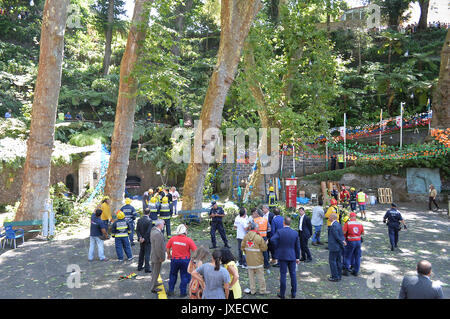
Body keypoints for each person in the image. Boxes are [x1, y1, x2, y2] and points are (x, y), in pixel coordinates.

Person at [270, 217, 300, 299]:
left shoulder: (280, 231)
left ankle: (282, 294)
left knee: (283, 275)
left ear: (284, 223)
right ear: (290, 223)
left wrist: (278, 246)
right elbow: (297, 246)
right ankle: (293, 293)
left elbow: (272, 240)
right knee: (293, 274)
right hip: (292, 256)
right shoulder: (295, 233)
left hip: (282, 256)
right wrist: (298, 257)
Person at [166, 224, 197, 297]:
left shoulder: (172, 239)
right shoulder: (188, 240)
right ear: (185, 232)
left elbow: (167, 248)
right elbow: (195, 250)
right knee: (184, 276)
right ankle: (183, 292)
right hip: (185, 261)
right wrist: (193, 258)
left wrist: (168, 255)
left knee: (173, 275)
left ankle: (171, 291)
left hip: (174, 260)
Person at [241, 221, 270, 295]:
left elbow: (242, 247)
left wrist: (248, 253)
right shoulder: (259, 237)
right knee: (260, 276)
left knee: (251, 277)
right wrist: (266, 243)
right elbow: (264, 249)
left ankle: (252, 290)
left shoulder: (246, 236)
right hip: (258, 260)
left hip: (249, 260)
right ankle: (262, 290)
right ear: (256, 228)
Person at [342, 212, 364, 276]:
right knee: (357, 256)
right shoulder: (359, 224)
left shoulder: (347, 224)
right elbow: (363, 233)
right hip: (358, 241)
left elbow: (344, 232)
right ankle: (356, 271)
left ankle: (346, 270)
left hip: (350, 241)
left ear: (350, 217)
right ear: (355, 217)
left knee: (347, 256)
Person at [327, 213, 346, 282]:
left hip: (334, 246)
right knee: (338, 261)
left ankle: (335, 276)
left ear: (332, 217)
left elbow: (337, 236)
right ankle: (339, 275)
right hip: (338, 247)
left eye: (329, 216)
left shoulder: (334, 226)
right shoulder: (338, 224)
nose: (328, 217)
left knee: (332, 261)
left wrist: (342, 242)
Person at [150, 219, 166, 293]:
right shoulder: (157, 234)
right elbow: (158, 248)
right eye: (163, 224)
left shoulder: (153, 231)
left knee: (154, 271)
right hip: (157, 257)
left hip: (153, 254)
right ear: (159, 225)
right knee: (156, 272)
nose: (164, 225)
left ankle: (155, 283)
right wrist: (161, 257)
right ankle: (153, 288)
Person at [136, 208, 152, 273]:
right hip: (147, 240)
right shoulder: (149, 220)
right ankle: (147, 268)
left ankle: (139, 266)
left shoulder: (139, 220)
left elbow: (137, 230)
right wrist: (144, 238)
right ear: (149, 213)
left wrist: (140, 237)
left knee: (141, 253)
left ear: (143, 212)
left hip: (141, 239)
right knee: (147, 254)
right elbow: (148, 231)